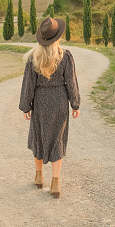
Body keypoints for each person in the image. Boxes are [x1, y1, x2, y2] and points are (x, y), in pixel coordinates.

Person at [19, 16, 80, 199]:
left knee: (39, 136)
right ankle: (55, 183)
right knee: (57, 139)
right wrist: (75, 103)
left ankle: (39, 177)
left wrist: (25, 106)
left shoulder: (33, 58)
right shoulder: (65, 56)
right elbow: (71, 82)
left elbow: (28, 84)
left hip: (40, 102)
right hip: (60, 101)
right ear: (57, 37)